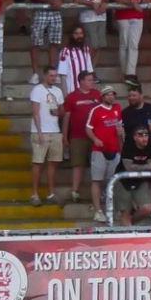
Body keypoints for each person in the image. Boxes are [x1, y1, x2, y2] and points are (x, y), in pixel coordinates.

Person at [61, 71, 102, 204]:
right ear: (81, 81)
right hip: (77, 136)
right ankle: (75, 191)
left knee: (97, 165)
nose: (91, 82)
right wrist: (65, 136)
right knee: (77, 164)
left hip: (96, 136)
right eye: (89, 80)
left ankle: (98, 193)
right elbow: (66, 118)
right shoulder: (71, 97)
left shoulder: (97, 94)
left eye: (92, 80)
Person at [86, 83, 123, 223]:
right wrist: (95, 139)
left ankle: (113, 208)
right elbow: (88, 128)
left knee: (113, 181)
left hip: (114, 149)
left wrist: (121, 135)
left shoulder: (117, 108)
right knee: (97, 180)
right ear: (102, 97)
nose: (111, 97)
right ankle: (98, 211)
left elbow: (119, 126)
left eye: (113, 94)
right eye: (108, 94)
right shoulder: (96, 110)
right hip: (99, 151)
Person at [113, 0, 151, 83]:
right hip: (123, 16)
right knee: (124, 44)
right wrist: (132, 3)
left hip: (137, 16)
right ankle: (125, 72)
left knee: (134, 45)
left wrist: (138, 1)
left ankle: (130, 73)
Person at [27, 73, 64, 204]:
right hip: (41, 131)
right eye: (50, 76)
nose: (53, 78)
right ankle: (34, 194)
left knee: (53, 163)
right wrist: (39, 132)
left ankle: (51, 193)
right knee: (37, 163)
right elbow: (35, 112)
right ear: (45, 76)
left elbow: (62, 110)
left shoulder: (58, 91)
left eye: (54, 76)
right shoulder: (37, 90)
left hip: (55, 130)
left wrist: (58, 112)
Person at [117, 124, 151, 224]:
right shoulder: (128, 146)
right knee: (126, 211)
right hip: (123, 181)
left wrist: (137, 167)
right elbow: (128, 168)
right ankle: (127, 228)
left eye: (146, 135)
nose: (144, 138)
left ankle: (130, 225)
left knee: (147, 209)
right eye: (140, 135)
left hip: (140, 180)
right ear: (134, 137)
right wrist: (146, 167)